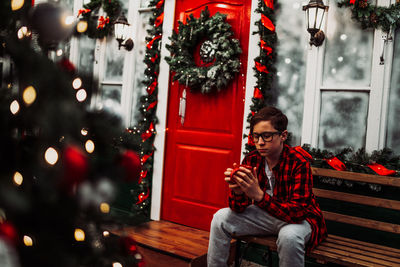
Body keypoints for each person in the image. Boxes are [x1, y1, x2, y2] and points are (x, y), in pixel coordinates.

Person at [207, 106, 327, 267]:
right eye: (256, 137)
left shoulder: (298, 162)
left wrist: (259, 196)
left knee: (289, 237)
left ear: (283, 135)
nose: (260, 142)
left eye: (267, 136)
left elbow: (297, 213)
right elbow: (238, 208)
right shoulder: (252, 159)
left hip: (300, 220)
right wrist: (237, 192)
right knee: (220, 218)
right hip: (266, 216)